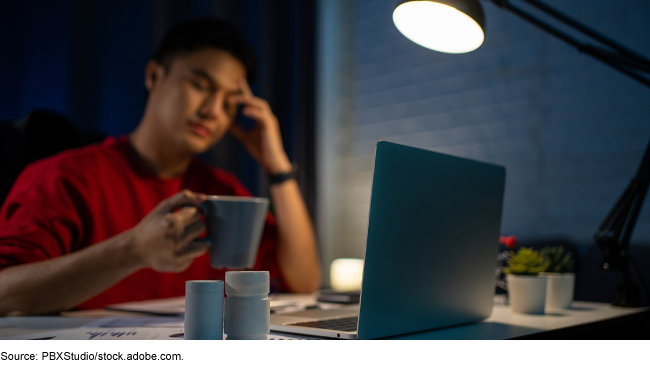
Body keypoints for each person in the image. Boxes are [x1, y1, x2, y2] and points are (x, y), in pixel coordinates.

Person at [0, 18, 321, 315]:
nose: (212, 111)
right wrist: (133, 251)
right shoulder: (64, 177)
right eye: (201, 85)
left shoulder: (223, 193)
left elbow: (304, 282)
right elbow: (5, 294)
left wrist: (277, 165)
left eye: (229, 104)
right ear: (154, 76)